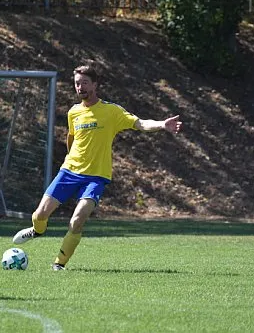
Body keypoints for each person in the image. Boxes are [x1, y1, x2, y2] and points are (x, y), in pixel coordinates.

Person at [13, 65, 182, 270]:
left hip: (96, 177)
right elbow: (72, 138)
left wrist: (162, 124)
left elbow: (140, 124)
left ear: (95, 84)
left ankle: (59, 264)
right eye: (77, 83)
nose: (80, 87)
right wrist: (70, 158)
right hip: (69, 172)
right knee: (39, 215)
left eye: (85, 82)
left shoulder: (111, 111)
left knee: (77, 221)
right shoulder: (74, 112)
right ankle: (37, 231)